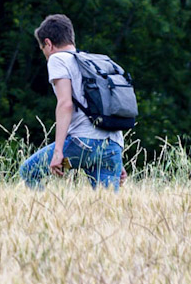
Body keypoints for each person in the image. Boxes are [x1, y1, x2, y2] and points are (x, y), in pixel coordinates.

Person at [19, 13, 125, 189]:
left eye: (42, 48)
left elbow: (65, 104)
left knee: (29, 172)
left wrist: (58, 151)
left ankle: (48, 215)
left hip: (83, 145)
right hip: (112, 145)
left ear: (48, 43)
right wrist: (116, 158)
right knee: (107, 208)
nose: (45, 54)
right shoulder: (92, 61)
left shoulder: (57, 59)